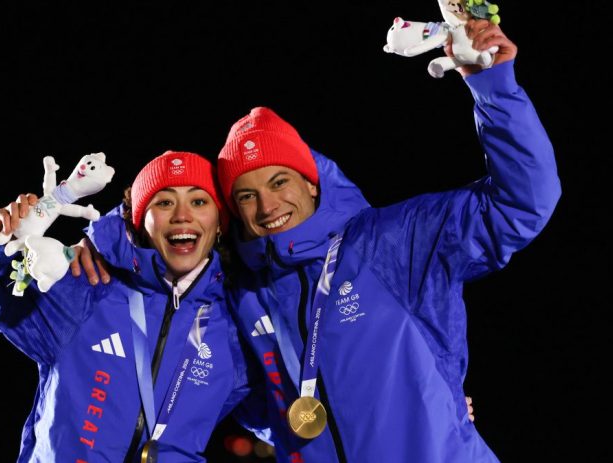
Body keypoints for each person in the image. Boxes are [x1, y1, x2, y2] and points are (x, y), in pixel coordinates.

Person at [211, 20, 561, 462]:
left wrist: (495, 90)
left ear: (311, 183)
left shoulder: (392, 240)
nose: (267, 206)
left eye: (280, 182)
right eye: (246, 195)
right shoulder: (244, 296)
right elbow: (244, 403)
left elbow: (521, 202)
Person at [0, 151, 253, 462]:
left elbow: (270, 416)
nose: (182, 215)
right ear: (140, 220)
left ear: (219, 222)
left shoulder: (233, 328)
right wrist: (0, 236)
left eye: (199, 202)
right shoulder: (86, 285)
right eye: (164, 202)